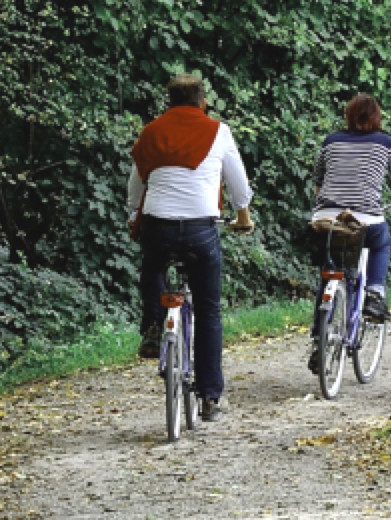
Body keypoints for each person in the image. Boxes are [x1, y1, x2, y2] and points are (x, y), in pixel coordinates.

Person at [127, 73, 254, 421]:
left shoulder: (152, 130)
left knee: (153, 267)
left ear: (168, 102)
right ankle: (211, 396)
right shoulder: (218, 131)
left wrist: (130, 213)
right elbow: (238, 185)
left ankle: (154, 324)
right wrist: (243, 217)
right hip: (201, 229)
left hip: (158, 224)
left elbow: (137, 180)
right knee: (209, 311)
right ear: (203, 101)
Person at [308, 93, 391, 372]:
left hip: (327, 219)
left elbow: (317, 182)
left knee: (329, 269)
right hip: (366, 219)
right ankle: (374, 293)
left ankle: (318, 340)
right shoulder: (385, 143)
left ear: (348, 115)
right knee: (381, 243)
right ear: (376, 117)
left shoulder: (331, 141)